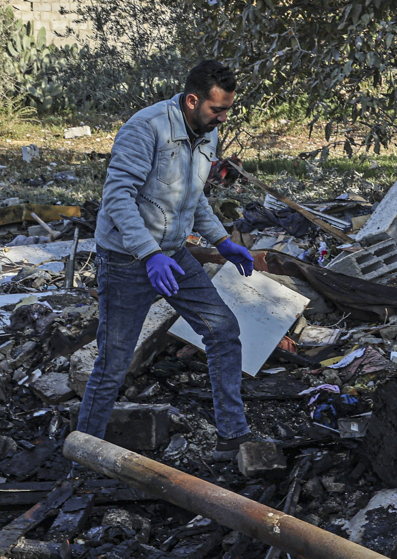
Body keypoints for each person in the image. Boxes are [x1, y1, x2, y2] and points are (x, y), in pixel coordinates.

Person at [77, 60, 254, 462]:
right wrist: (149, 254)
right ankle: (82, 453)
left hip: (172, 255)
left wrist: (223, 241)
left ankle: (232, 436)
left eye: (228, 109)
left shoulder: (206, 135)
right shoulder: (147, 127)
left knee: (223, 331)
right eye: (217, 110)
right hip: (127, 259)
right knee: (113, 364)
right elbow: (117, 198)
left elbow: (194, 199)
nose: (223, 118)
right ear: (193, 100)